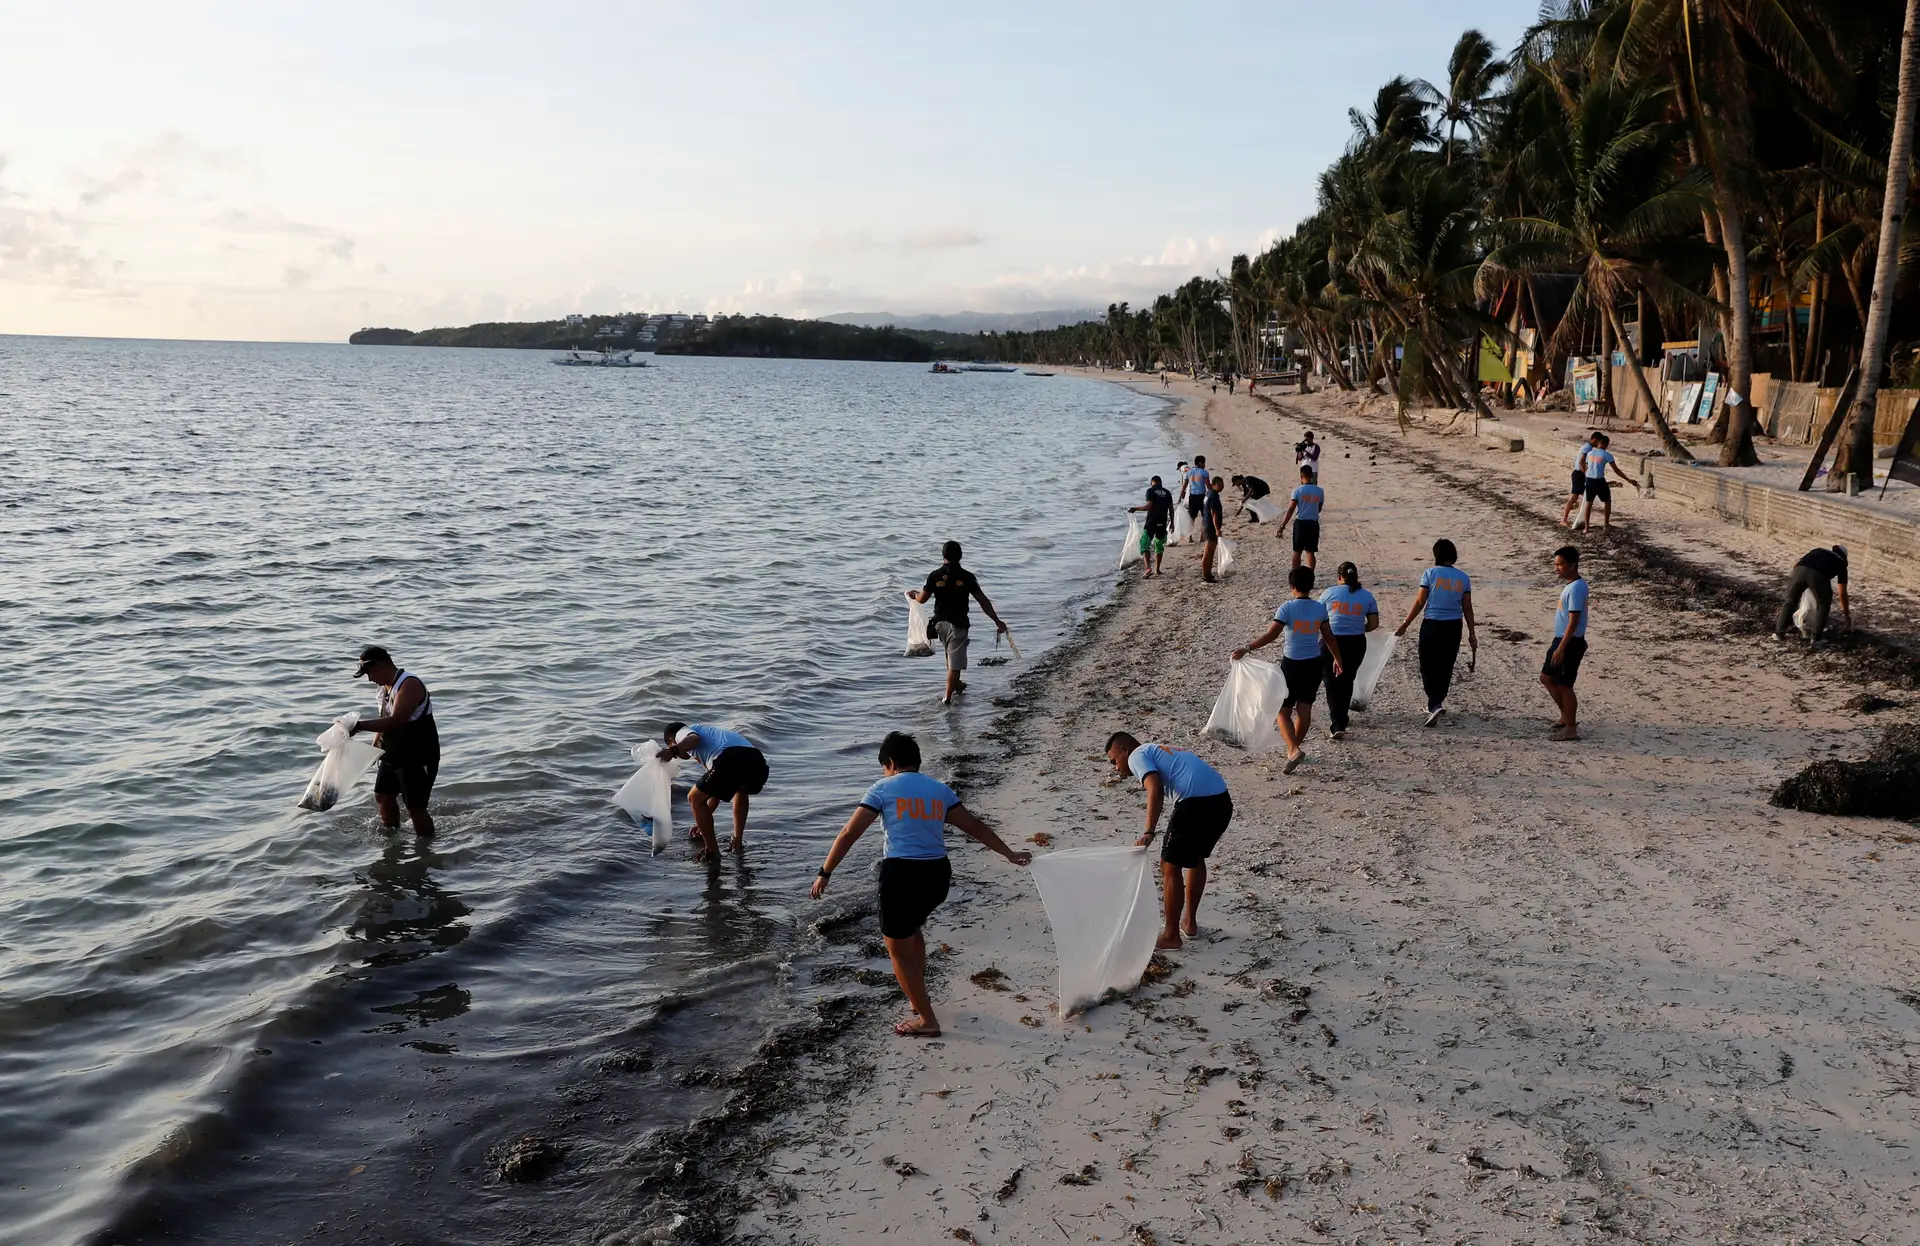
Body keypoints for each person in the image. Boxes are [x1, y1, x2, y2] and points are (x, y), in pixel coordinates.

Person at [811, 731, 1031, 1037]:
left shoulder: (882, 788)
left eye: (883, 766)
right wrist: (1008, 853)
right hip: (937, 875)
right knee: (912, 930)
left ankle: (927, 1020)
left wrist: (825, 871)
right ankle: (917, 1000)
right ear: (916, 760)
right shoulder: (939, 789)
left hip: (902, 875)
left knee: (897, 949)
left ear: (889, 763)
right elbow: (974, 826)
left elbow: (849, 833)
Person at [1103, 732, 1233, 950]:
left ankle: (1171, 935)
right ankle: (1189, 923)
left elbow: (1154, 788)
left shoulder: (1137, 754)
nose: (1116, 768)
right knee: (1195, 858)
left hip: (1195, 803)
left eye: (1114, 760)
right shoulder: (1160, 748)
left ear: (1124, 749)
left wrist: (1149, 831)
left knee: (1169, 866)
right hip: (1222, 802)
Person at [1233, 565, 1341, 772]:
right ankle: (1295, 749)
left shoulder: (1287, 608)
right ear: (1311, 586)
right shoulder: (1320, 608)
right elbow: (1329, 638)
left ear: (1292, 586)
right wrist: (1338, 660)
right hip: (1314, 664)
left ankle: (1293, 749)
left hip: (1292, 664)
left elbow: (1271, 635)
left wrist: (1247, 648)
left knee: (1282, 711)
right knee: (1304, 708)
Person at [348, 645, 440, 837]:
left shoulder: (409, 685)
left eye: (369, 673)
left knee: (415, 807)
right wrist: (374, 749)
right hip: (394, 752)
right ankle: (393, 839)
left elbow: (397, 719)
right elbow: (384, 719)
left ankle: (427, 849)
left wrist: (360, 726)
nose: (369, 678)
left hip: (418, 755)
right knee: (383, 797)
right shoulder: (385, 689)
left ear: (381, 665)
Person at [909, 541, 1008, 704]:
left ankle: (957, 685)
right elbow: (983, 601)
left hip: (939, 625)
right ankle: (947, 698)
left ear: (943, 556)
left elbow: (922, 599)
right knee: (955, 664)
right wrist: (997, 621)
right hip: (958, 625)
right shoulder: (967, 577)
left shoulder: (934, 575)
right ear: (960, 556)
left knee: (951, 656)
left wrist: (913, 594)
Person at [1393, 539, 1478, 726]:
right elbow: (1468, 607)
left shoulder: (1430, 574)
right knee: (1446, 665)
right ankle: (1437, 701)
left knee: (1427, 663)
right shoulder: (1463, 578)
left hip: (1432, 624)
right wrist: (1472, 633)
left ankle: (1434, 703)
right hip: (1454, 626)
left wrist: (1405, 624)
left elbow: (1420, 602)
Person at [658, 722, 770, 860]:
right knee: (740, 790)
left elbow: (694, 739)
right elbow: (715, 794)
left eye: (672, 746)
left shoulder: (683, 732)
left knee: (694, 798)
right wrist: (701, 822)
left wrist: (672, 751)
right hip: (757, 762)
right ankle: (737, 842)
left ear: (671, 740)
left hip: (731, 757)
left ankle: (712, 852)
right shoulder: (712, 739)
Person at [1317, 561, 1380, 740]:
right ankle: (1341, 716)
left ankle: (1337, 722)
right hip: (1356, 642)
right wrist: (1359, 629)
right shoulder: (1367, 596)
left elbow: (1318, 618)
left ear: (1339, 577)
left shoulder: (1328, 593)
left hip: (1331, 641)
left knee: (1330, 680)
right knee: (1347, 679)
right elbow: (1374, 624)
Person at [1541, 545, 1589, 741]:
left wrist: (1561, 648)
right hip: (1560, 639)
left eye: (1560, 564)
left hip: (1569, 642)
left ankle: (1571, 728)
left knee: (1564, 684)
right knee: (1547, 678)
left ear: (1572, 565)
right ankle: (1565, 716)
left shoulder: (1577, 587)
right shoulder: (1570, 585)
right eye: (1556, 564)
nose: (1556, 568)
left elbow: (1574, 621)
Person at [1772, 544, 1851, 644]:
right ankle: (1815, 638)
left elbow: (1796, 565)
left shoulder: (1818, 550)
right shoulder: (1841, 562)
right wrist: (1847, 614)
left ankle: (1779, 633)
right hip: (1817, 576)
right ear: (1844, 556)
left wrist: (1803, 584)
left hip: (1799, 570)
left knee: (1790, 601)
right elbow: (1842, 592)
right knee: (1823, 605)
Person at [1576, 433, 1638, 533]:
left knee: (1589, 503)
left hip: (1589, 480)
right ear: (1606, 444)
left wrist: (1586, 474)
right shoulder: (1607, 455)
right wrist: (1629, 480)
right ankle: (1606, 524)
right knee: (1607, 501)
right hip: (1599, 481)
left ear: (1599, 443)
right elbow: (1617, 471)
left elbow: (1584, 465)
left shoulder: (1590, 453)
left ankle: (1586, 528)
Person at [1275, 463, 1326, 570]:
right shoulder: (1320, 491)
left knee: (1297, 551)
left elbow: (1290, 509)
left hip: (1300, 524)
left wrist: (1282, 526)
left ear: (1301, 477)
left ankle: (1296, 575)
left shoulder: (1297, 491)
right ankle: (1310, 576)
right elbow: (1319, 508)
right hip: (1313, 523)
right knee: (1310, 552)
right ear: (1312, 476)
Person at [1129, 474, 1175, 578]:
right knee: (1159, 545)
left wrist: (1135, 508)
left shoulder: (1150, 491)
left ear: (1151, 483)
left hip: (1151, 521)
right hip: (1162, 521)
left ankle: (1148, 568)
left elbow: (1149, 506)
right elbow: (1171, 509)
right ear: (1161, 482)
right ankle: (1157, 569)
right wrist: (1172, 523)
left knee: (1144, 543)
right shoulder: (1167, 492)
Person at [1559, 433, 1599, 527]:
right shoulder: (1587, 448)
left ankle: (1580, 519)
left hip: (1579, 473)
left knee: (1583, 497)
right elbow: (1581, 463)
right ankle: (1564, 519)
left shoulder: (1587, 447)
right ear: (1594, 439)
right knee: (1574, 497)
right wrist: (1586, 474)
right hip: (1579, 474)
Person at [1199, 475, 1227, 583]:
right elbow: (1213, 513)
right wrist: (1217, 529)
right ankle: (1206, 576)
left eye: (1223, 485)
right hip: (1210, 526)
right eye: (1219, 485)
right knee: (1208, 553)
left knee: (1209, 552)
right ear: (1213, 485)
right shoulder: (1214, 495)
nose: (1222, 487)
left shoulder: (1208, 493)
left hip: (1206, 524)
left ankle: (1208, 573)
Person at [1183, 456, 1212, 527]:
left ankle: (1190, 537)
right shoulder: (1204, 472)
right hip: (1201, 496)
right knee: (1205, 516)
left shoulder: (1189, 472)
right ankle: (1203, 535)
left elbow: (1184, 485)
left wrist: (1182, 494)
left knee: (1192, 517)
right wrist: (1212, 493)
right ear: (1200, 463)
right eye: (1204, 463)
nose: (1204, 465)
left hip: (1192, 496)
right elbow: (1208, 485)